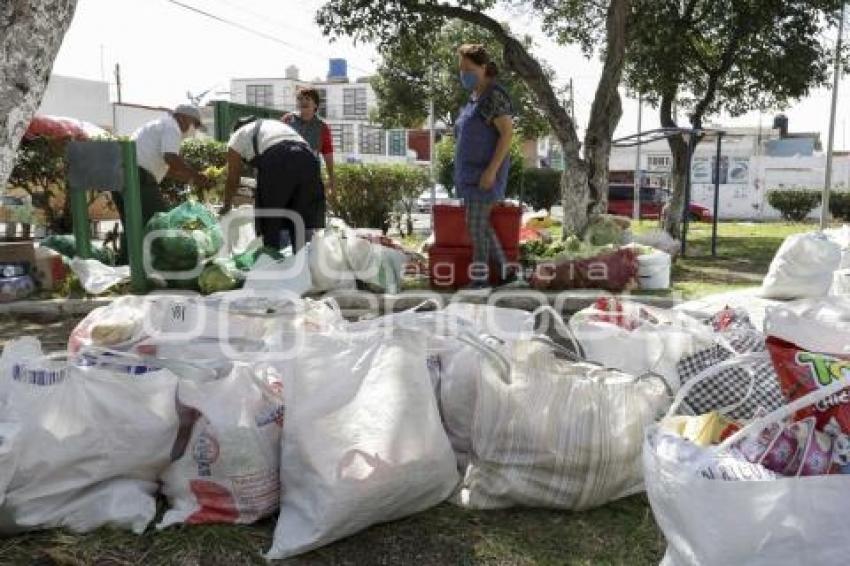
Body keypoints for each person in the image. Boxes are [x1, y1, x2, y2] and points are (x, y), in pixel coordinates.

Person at [454, 44, 515, 289]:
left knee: (477, 226)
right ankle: (507, 274)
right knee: (479, 225)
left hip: (485, 174)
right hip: (470, 175)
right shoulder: (474, 98)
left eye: (468, 69)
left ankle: (480, 280)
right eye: (461, 69)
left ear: (484, 68)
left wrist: (491, 171)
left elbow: (507, 135)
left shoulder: (494, 96)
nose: (463, 74)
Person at [115, 104, 209, 263]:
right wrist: (197, 175)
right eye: (195, 124)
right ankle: (165, 266)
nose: (195, 129)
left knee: (133, 227)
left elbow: (167, 169)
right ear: (183, 117)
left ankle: (125, 268)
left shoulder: (160, 125)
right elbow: (171, 158)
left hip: (122, 176)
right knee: (159, 223)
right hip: (137, 177)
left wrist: (191, 179)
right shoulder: (172, 127)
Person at [221, 116, 324, 252]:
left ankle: (271, 263)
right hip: (309, 161)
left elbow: (233, 178)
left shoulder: (237, 136)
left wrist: (227, 205)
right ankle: (302, 266)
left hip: (279, 158)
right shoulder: (273, 126)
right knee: (299, 222)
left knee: (270, 222)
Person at [283, 88, 335, 196]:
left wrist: (331, 179)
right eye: (300, 99)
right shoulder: (287, 120)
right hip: (287, 177)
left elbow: (328, 154)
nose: (303, 101)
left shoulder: (322, 127)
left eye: (307, 99)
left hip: (310, 179)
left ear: (315, 104)